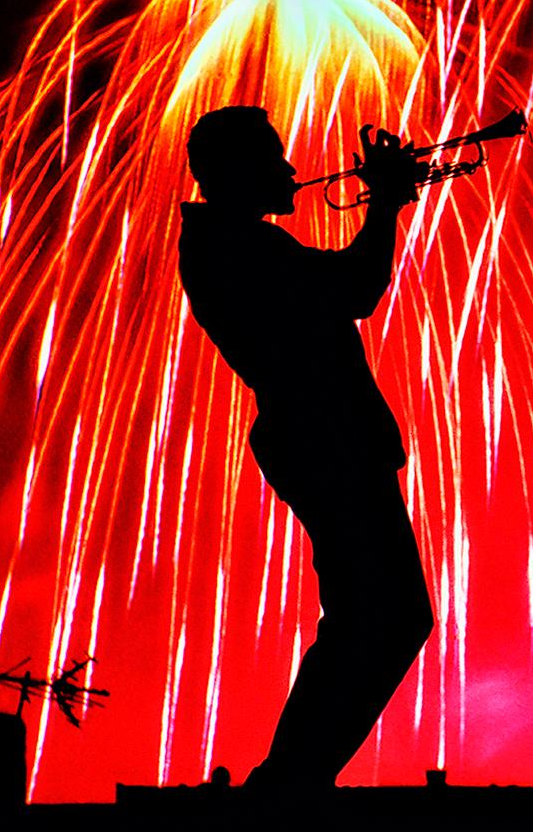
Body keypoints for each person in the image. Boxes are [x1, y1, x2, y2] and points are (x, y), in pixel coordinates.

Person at [177, 105, 433, 791]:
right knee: (385, 613)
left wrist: (384, 202)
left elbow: (346, 287)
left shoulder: (234, 243)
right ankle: (291, 782)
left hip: (316, 439)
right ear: (236, 172)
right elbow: (356, 288)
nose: (291, 170)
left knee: (374, 614)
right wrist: (384, 204)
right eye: (274, 159)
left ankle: (292, 778)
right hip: (325, 440)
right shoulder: (235, 247)